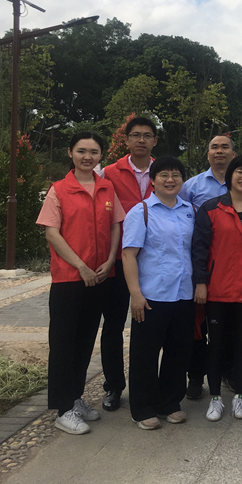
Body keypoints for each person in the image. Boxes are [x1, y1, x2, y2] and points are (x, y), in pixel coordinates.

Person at [36, 132, 123, 435]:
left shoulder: (107, 187)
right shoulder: (59, 190)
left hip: (99, 276)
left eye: (94, 152)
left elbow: (116, 226)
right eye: (82, 151)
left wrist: (110, 260)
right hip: (69, 278)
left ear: (101, 156)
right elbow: (52, 233)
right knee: (63, 343)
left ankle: (75, 397)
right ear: (70, 153)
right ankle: (63, 410)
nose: (88, 157)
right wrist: (81, 266)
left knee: (85, 340)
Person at [192, 154, 242, 422]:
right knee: (215, 344)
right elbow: (199, 248)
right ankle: (215, 397)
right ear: (230, 175)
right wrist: (201, 282)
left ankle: (239, 395)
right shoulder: (211, 208)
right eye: (240, 171)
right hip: (216, 290)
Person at [122, 157, 196, 430]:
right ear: (152, 180)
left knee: (178, 352)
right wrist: (135, 294)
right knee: (145, 354)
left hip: (183, 293)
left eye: (176, 175)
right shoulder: (141, 211)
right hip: (152, 295)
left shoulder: (190, 211)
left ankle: (170, 403)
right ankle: (142, 408)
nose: (170, 180)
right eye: (163, 175)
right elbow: (128, 255)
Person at [97, 115, 157, 411]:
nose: (141, 140)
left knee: (153, 326)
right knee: (113, 326)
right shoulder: (109, 173)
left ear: (154, 141)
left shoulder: (164, 172)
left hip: (154, 263)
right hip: (120, 260)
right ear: (127, 140)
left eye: (147, 135)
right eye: (136, 135)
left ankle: (151, 385)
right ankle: (113, 386)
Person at [178, 134, 236, 399]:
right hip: (201, 262)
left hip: (232, 263)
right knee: (198, 325)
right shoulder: (191, 186)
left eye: (225, 147)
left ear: (233, 154)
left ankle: (227, 371)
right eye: (214, 147)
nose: (219, 151)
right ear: (208, 153)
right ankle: (195, 376)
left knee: (228, 325)